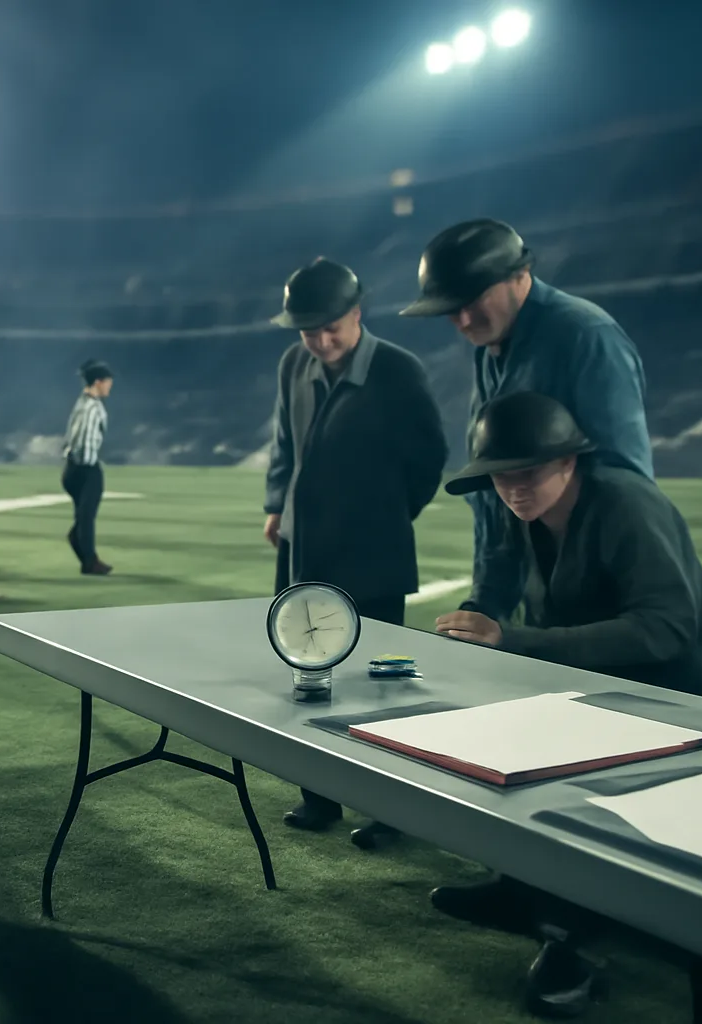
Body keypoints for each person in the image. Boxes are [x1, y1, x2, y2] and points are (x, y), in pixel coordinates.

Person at [433, 391, 702, 1018]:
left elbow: (668, 629)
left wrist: (519, 641)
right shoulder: (525, 511)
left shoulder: (626, 505)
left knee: (587, 814)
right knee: (515, 762)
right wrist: (477, 620)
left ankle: (567, 936)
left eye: (526, 472)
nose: (512, 488)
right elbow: (507, 590)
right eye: (501, 475)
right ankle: (523, 890)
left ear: (569, 463)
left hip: (673, 701)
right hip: (594, 690)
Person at [264, 256, 448, 846]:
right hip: (302, 550)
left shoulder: (398, 371)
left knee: (377, 685)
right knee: (307, 677)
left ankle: (390, 813)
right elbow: (283, 442)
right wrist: (277, 503)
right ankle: (318, 798)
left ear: (357, 314)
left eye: (330, 328)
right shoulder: (294, 363)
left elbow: (428, 459)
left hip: (372, 555)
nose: (319, 341)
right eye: (307, 330)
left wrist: (388, 517)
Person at [399, 218, 654, 625]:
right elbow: (490, 491)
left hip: (598, 599)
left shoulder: (586, 336)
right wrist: (486, 601)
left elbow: (625, 482)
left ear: (521, 275)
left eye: (473, 301)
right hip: (543, 592)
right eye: (451, 309)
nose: (463, 321)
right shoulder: (491, 344)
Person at [62, 359, 114, 576]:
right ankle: (90, 561)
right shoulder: (93, 408)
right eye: (108, 382)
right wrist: (86, 462)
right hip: (86, 468)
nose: (110, 386)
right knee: (86, 517)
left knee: (83, 516)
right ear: (98, 382)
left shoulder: (80, 403)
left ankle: (86, 555)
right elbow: (84, 441)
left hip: (71, 468)